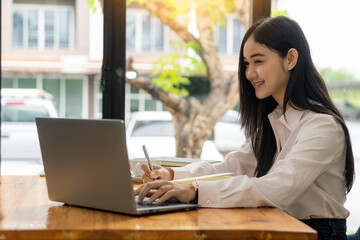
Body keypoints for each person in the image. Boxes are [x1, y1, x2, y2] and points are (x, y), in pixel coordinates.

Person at [134, 16, 355, 240]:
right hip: (280, 225)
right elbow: (232, 166)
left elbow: (277, 187)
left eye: (258, 61)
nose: (249, 74)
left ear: (290, 59)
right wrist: (172, 175)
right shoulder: (276, 120)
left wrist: (194, 191)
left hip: (317, 234)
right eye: (247, 64)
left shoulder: (322, 126)